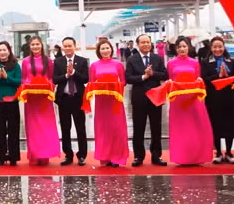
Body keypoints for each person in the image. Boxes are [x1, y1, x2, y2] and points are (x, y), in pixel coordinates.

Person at [166, 36, 213, 165]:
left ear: (189, 47)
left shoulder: (195, 63)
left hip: (193, 100)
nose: (182, 49)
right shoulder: (171, 64)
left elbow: (198, 79)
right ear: (176, 49)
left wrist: (200, 82)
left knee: (195, 128)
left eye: (184, 46)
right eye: (179, 47)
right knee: (181, 128)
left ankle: (197, 156)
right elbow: (170, 80)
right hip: (178, 102)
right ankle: (182, 156)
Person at [125, 34, 168, 166]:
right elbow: (129, 78)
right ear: (138, 44)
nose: (145, 44)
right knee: (139, 128)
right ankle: (138, 156)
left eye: (148, 42)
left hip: (155, 97)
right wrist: (143, 76)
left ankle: (156, 155)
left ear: (151, 44)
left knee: (156, 127)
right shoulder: (132, 59)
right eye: (143, 42)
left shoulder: (157, 58)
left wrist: (153, 74)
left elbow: (165, 74)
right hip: (139, 97)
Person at [200, 36, 234, 164]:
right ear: (211, 48)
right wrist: (217, 76)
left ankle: (229, 152)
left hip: (228, 96)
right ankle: (218, 152)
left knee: (229, 124)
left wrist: (227, 76)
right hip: (213, 97)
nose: (218, 49)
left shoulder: (230, 61)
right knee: (215, 124)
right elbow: (204, 79)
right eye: (215, 47)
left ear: (224, 47)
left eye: (220, 47)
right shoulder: (206, 62)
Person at [89, 40, 128, 167]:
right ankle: (104, 157)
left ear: (111, 49)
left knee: (117, 128)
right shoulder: (94, 66)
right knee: (103, 129)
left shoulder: (118, 65)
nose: (105, 51)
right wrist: (102, 86)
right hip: (101, 101)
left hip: (115, 100)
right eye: (102, 49)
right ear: (98, 51)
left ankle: (117, 157)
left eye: (107, 48)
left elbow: (123, 82)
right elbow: (91, 84)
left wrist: (113, 86)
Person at [21, 35, 60, 165]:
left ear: (42, 45)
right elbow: (24, 79)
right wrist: (29, 86)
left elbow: (51, 78)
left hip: (44, 98)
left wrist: (46, 86)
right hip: (31, 99)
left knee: (45, 126)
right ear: (29, 46)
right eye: (33, 45)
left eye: (37, 44)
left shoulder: (48, 61)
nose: (35, 47)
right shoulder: (26, 61)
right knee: (32, 127)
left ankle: (45, 154)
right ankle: (35, 154)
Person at [53, 36, 89, 166]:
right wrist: (66, 76)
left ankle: (82, 155)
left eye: (70, 46)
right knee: (65, 128)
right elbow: (55, 79)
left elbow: (85, 79)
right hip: (64, 99)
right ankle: (68, 154)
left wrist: (73, 72)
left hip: (78, 98)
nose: (67, 48)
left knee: (81, 128)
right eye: (65, 46)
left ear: (75, 46)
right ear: (62, 47)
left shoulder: (83, 61)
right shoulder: (57, 62)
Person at [0, 41, 21, 166]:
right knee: (0, 130)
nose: (2, 52)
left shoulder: (15, 65)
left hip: (12, 100)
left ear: (9, 50)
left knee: (13, 129)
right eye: (0, 50)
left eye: (4, 50)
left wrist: (7, 77)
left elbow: (19, 82)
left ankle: (13, 157)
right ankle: (2, 157)